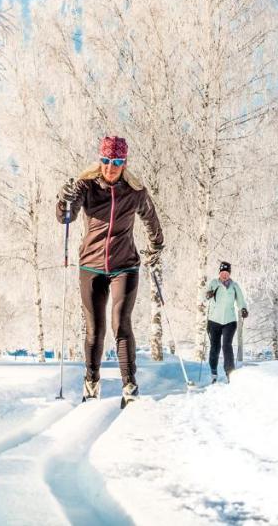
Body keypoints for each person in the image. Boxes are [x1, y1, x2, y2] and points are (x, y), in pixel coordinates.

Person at [58, 135, 164, 406]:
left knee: (121, 322)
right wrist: (64, 200)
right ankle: (91, 381)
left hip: (125, 265)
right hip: (91, 266)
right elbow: (65, 217)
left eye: (116, 161)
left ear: (124, 163)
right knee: (95, 329)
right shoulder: (87, 187)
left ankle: (129, 385)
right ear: (100, 160)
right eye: (105, 160)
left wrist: (155, 247)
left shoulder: (135, 191)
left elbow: (151, 219)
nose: (110, 167)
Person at [205, 261, 247, 382]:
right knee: (215, 346)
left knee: (226, 346)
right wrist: (208, 294)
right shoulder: (214, 283)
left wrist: (243, 309)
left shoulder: (234, 286)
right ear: (219, 273)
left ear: (229, 273)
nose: (224, 275)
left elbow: (241, 301)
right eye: (223, 272)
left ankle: (230, 373)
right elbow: (204, 297)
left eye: (227, 273)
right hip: (214, 321)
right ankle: (213, 371)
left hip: (229, 321)